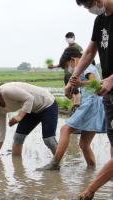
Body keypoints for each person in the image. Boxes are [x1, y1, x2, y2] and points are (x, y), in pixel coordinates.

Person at [65, 0, 113, 199]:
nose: (90, 9)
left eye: (90, 3)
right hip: (109, 96)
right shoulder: (101, 21)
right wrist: (74, 77)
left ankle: (88, 192)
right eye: (85, 6)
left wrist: (111, 78)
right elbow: (90, 51)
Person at [38, 47, 106, 171]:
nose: (70, 69)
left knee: (65, 129)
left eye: (67, 66)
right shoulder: (89, 68)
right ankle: (91, 171)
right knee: (84, 144)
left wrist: (80, 84)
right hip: (95, 105)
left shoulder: (87, 68)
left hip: (91, 104)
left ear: (73, 60)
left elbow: (97, 84)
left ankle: (55, 163)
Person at [0, 81, 58, 156]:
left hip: (47, 104)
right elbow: (1, 131)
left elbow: (29, 98)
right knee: (18, 138)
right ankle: (17, 169)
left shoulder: (5, 91)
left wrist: (19, 116)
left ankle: (58, 162)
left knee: (49, 140)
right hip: (31, 109)